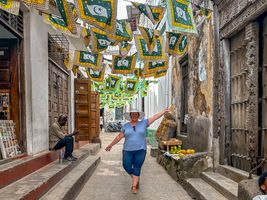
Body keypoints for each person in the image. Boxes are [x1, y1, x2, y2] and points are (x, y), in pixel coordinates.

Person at [105, 107, 171, 194]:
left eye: (136, 114)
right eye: (132, 114)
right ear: (130, 115)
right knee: (126, 166)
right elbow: (119, 137)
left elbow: (155, 117)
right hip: (127, 150)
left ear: (138, 115)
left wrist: (164, 111)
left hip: (141, 150)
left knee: (137, 167)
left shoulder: (144, 123)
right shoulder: (126, 126)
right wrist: (111, 145)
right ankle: (135, 178)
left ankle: (134, 185)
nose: (134, 115)